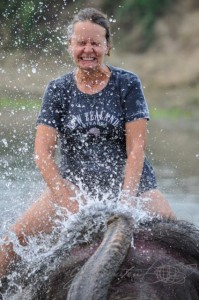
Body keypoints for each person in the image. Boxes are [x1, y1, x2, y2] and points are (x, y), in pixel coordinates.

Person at [0, 7, 175, 278]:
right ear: (70, 46)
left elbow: (136, 149)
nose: (88, 49)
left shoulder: (127, 84)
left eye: (95, 42)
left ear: (108, 46)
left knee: (184, 244)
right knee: (8, 246)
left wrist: (126, 204)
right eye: (81, 42)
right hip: (73, 189)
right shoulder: (58, 90)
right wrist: (62, 194)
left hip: (136, 190)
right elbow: (42, 154)